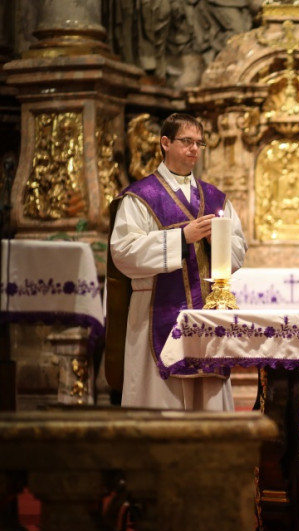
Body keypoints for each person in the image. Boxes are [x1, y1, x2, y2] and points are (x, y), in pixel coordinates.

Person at [109, 113, 247, 410]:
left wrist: (217, 241)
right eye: (187, 141)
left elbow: (238, 253)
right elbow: (123, 252)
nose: (194, 148)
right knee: (160, 401)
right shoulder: (140, 197)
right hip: (155, 310)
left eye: (199, 143)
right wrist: (181, 238)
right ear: (165, 143)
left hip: (207, 314)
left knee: (208, 403)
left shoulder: (215, 198)